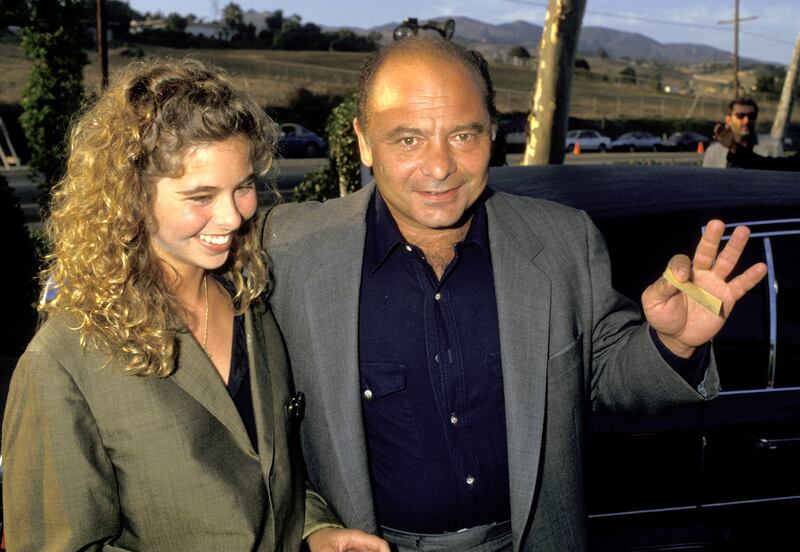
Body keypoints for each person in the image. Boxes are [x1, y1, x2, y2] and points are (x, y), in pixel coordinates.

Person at [262, 37, 767, 552]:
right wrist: (312, 525)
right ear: (365, 142)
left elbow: (606, 373)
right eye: (408, 139)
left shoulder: (563, 240)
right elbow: (251, 434)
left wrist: (674, 344)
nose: (439, 166)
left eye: (463, 135)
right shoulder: (289, 251)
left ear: (492, 132)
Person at [1, 59, 389, 552]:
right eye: (201, 196)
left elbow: (270, 472)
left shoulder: (251, 303)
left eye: (242, 187)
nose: (232, 217)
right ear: (131, 196)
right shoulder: (62, 361)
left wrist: (316, 530)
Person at [701, 97, 792, 169]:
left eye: (751, 116)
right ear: (728, 119)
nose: (747, 120)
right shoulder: (713, 151)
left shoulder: (773, 146)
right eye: (740, 115)